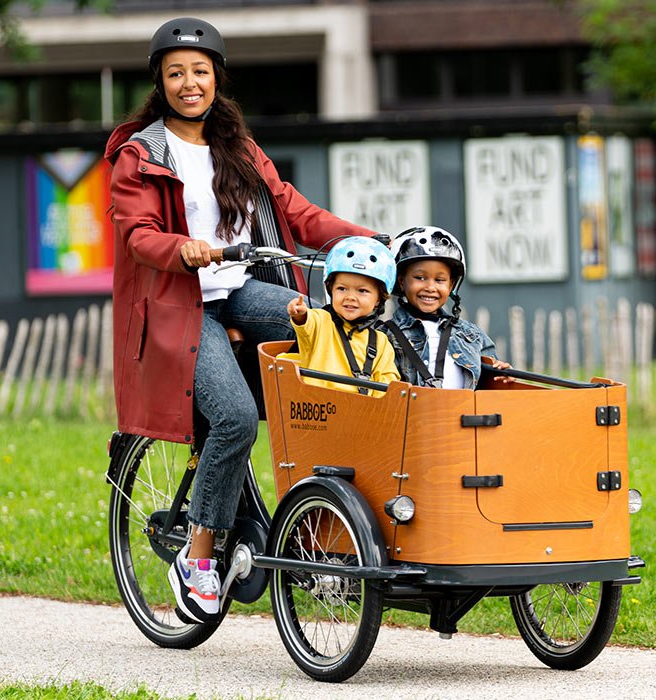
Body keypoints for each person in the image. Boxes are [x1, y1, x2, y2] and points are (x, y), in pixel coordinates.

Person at [105, 16, 376, 623]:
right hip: (182, 304)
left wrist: (369, 241)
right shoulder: (139, 154)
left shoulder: (239, 149)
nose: (189, 82)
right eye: (176, 72)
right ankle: (198, 558)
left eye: (200, 71)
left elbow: (296, 212)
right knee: (233, 418)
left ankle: (319, 518)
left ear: (216, 78)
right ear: (160, 82)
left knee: (326, 335)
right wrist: (184, 248)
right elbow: (138, 234)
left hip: (239, 289)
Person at [380, 226, 511, 389]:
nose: (430, 287)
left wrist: (502, 374)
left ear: (451, 285)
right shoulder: (384, 335)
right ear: (401, 281)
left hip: (464, 413)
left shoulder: (471, 334)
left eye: (440, 280)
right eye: (420, 277)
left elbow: (489, 381)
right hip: (414, 413)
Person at [286, 237, 400, 394]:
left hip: (361, 413)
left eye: (362, 291)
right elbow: (308, 324)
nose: (350, 297)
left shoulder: (381, 342)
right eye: (342, 289)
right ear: (330, 290)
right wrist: (301, 315)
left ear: (379, 299)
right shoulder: (322, 321)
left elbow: (388, 382)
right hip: (320, 410)